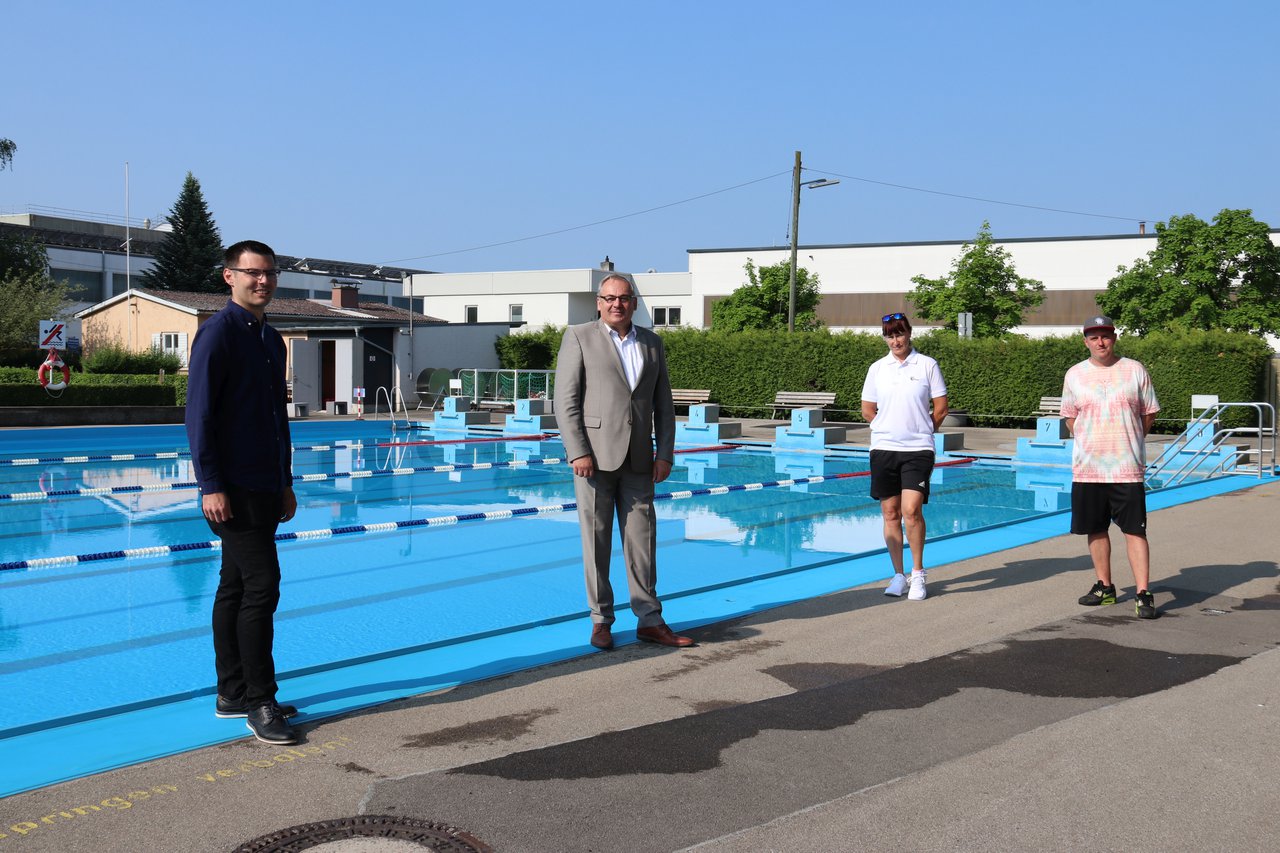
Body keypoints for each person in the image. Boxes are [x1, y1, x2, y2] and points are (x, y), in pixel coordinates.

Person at [186, 239, 301, 744]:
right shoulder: (217, 335)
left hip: (263, 484)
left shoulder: (270, 340)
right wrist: (211, 484)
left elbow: (278, 418)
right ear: (228, 277)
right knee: (262, 585)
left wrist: (286, 481)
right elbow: (200, 416)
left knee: (235, 586)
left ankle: (232, 693)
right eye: (253, 273)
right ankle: (261, 700)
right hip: (229, 489)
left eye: (270, 273)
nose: (263, 281)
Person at [555, 273, 694, 650]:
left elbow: (664, 405)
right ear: (598, 303)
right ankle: (601, 619)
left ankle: (649, 619)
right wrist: (578, 450)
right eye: (610, 298)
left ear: (634, 302)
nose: (617, 304)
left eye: (624, 298)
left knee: (642, 541)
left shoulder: (652, 342)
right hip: (594, 458)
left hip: (638, 459)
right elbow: (565, 402)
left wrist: (664, 453)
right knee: (595, 542)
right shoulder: (579, 337)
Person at [1061, 315, 1161, 619]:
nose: (1100, 342)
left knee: (1134, 530)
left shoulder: (1134, 370)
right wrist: (1093, 441)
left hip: (1126, 468)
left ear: (1114, 338)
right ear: (1085, 341)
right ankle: (1105, 587)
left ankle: (1143, 593)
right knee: (1095, 528)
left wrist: (1127, 440)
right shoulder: (1075, 374)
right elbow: (1070, 417)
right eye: (1094, 337)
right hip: (1088, 468)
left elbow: (1149, 413)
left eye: (1105, 336)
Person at [860, 312, 948, 601]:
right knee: (890, 513)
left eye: (899, 333)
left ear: (909, 333)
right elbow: (867, 409)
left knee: (912, 511)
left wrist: (923, 430)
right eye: (890, 334)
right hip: (884, 448)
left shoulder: (927, 365)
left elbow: (941, 407)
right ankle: (898, 575)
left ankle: (918, 574)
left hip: (918, 450)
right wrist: (884, 428)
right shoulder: (877, 368)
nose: (895, 340)